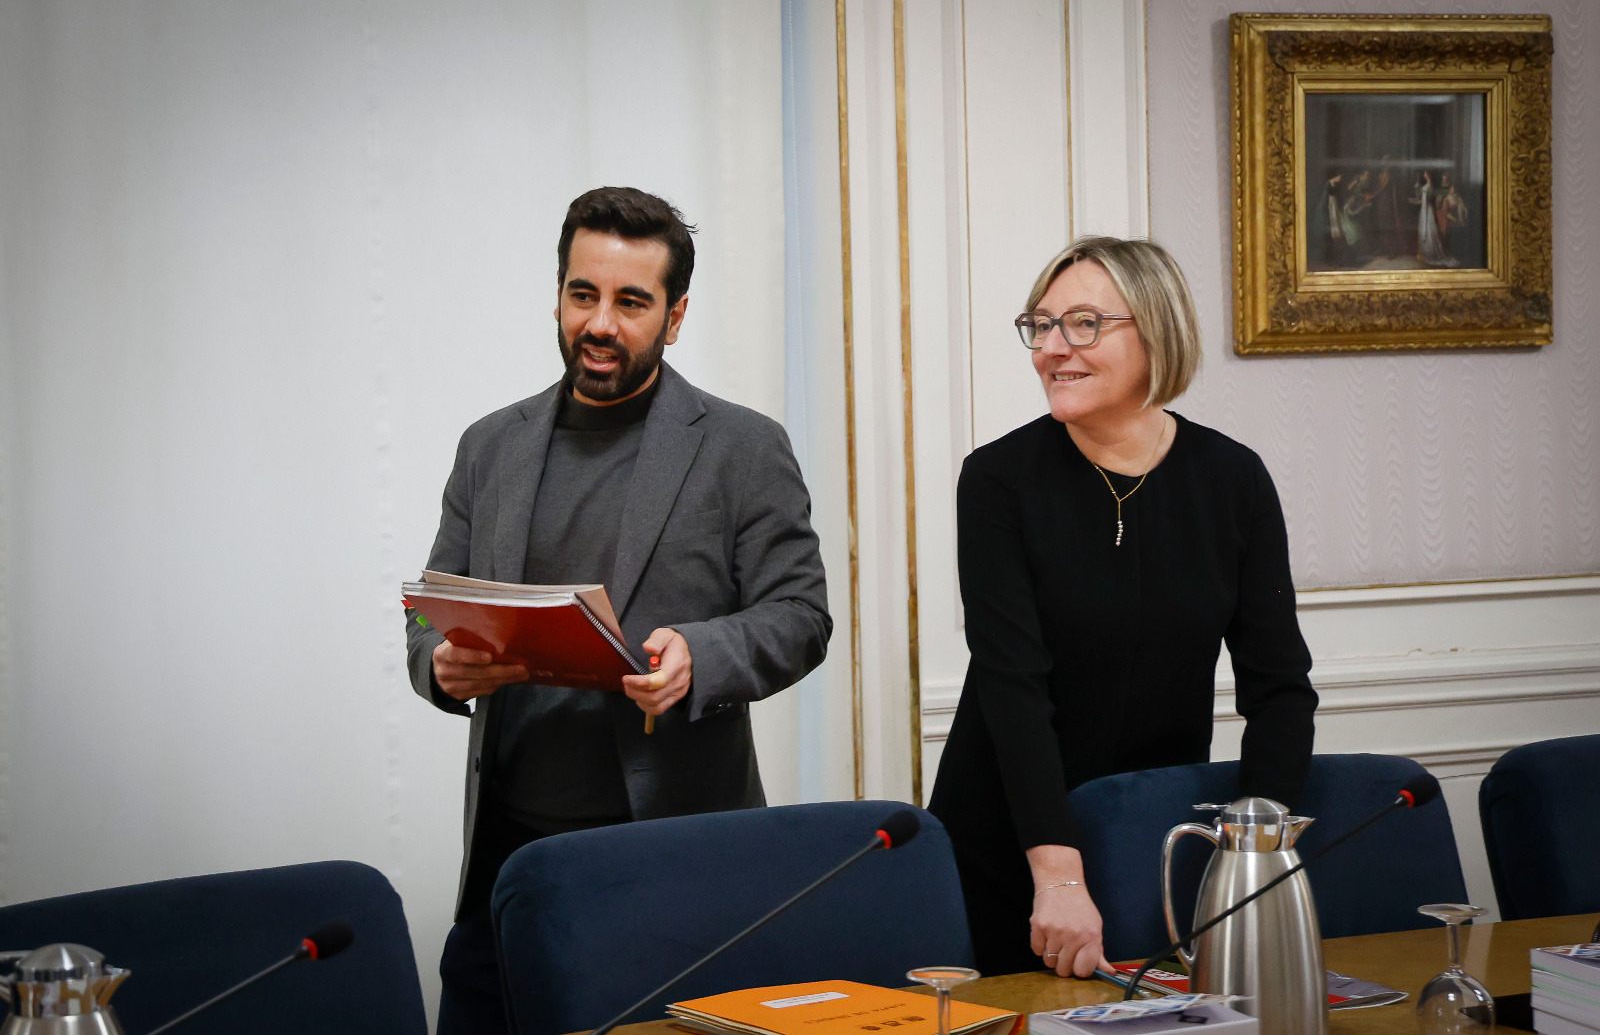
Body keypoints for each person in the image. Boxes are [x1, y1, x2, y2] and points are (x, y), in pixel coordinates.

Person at [405, 186, 831, 1034]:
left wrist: (701, 655)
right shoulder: (488, 446)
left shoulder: (742, 447)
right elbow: (427, 608)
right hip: (508, 861)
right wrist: (439, 664)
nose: (599, 322)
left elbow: (801, 612)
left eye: (630, 301)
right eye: (582, 294)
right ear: (559, 294)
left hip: (673, 861)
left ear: (674, 318)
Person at [926, 236, 1317, 980]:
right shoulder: (998, 480)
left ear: (1156, 329)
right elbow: (1014, 687)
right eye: (1039, 326)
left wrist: (1252, 859)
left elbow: (1280, 689)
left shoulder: (1233, 479)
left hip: (1156, 834)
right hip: (1012, 837)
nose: (1051, 348)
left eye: (1082, 323)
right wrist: (1059, 876)